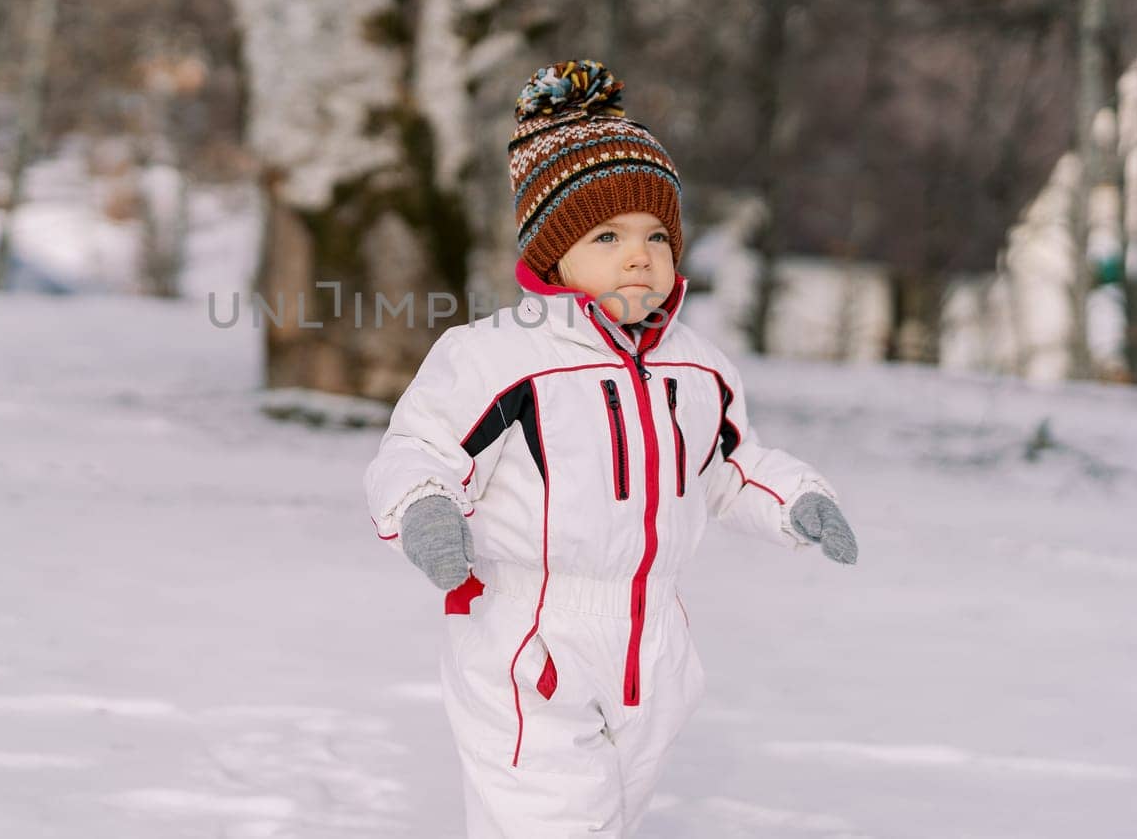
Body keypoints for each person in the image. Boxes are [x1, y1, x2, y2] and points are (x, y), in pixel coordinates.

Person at [363, 60, 859, 837]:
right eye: (609, 235)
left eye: (658, 234)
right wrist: (426, 512)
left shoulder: (695, 366)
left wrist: (798, 499)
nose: (641, 255)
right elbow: (421, 449)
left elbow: (729, 466)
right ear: (554, 253)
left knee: (609, 816)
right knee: (560, 819)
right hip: (526, 631)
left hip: (652, 642)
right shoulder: (501, 357)